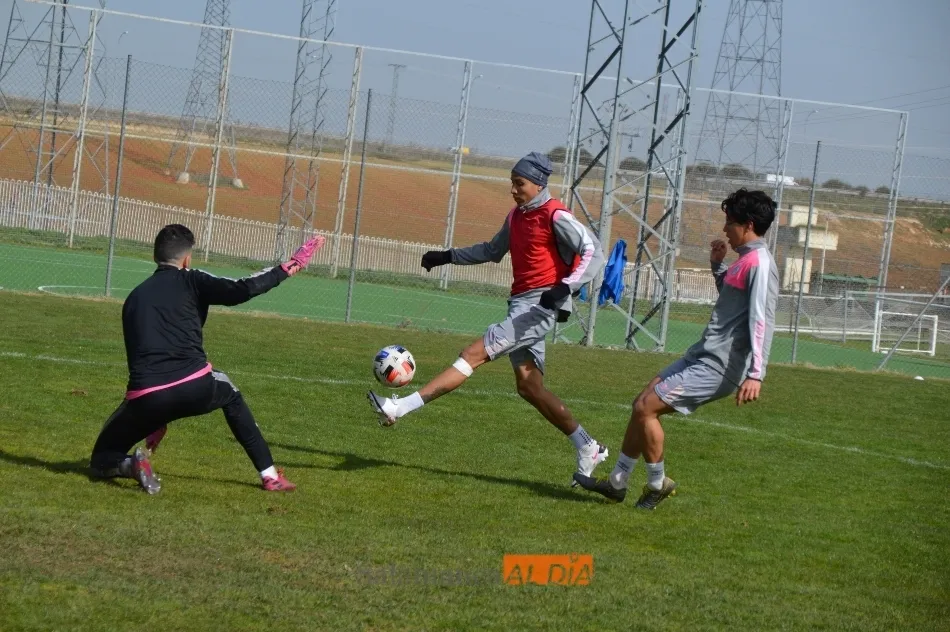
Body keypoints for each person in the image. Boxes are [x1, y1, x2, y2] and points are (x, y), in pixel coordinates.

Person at [367, 151, 609, 485]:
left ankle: (400, 408)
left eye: (519, 183)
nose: (513, 189)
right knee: (529, 387)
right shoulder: (516, 217)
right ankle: (588, 446)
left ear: (538, 183)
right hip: (520, 306)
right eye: (512, 182)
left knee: (472, 355)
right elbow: (492, 251)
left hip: (539, 308)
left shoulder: (555, 214)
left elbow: (594, 251)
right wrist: (447, 256)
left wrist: (565, 287)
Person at [573, 188, 779, 509]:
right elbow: (732, 299)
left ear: (748, 224)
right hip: (702, 354)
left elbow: (761, 320)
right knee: (641, 403)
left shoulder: (761, 264)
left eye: (730, 223)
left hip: (721, 366)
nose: (725, 229)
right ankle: (617, 482)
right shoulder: (744, 261)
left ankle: (657, 482)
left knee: (647, 409)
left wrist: (756, 374)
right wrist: (717, 267)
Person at [89, 224, 325, 494]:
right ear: (187, 258)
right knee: (230, 392)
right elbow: (243, 289)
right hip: (194, 386)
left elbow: (139, 363)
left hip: (146, 397)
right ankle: (270, 476)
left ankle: (129, 464)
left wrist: (155, 419)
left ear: (155, 256)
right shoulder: (192, 279)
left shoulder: (134, 298)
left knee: (101, 458)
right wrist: (289, 267)